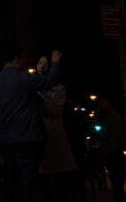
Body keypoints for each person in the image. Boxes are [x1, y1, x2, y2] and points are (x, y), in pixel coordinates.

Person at [0, 46, 62, 202]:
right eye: (22, 60)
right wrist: (55, 62)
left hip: (6, 139)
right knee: (26, 182)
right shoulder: (24, 77)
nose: (24, 63)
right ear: (16, 60)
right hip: (27, 137)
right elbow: (49, 81)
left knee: (11, 179)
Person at [35, 56, 79, 201]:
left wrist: (40, 100)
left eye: (46, 64)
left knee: (59, 178)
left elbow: (55, 110)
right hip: (39, 135)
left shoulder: (59, 88)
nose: (42, 66)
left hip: (55, 134)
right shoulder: (34, 85)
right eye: (40, 63)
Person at [94, 99, 126, 202]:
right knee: (115, 178)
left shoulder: (113, 118)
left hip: (113, 150)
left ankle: (119, 196)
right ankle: (119, 196)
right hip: (111, 150)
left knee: (116, 178)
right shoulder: (107, 118)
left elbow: (114, 135)